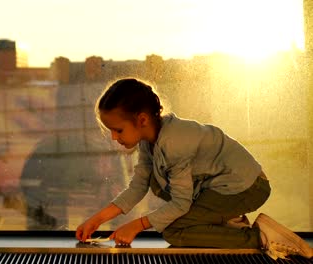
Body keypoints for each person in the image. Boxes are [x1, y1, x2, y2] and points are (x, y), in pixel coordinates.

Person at [75, 78, 312, 260]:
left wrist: (137, 225)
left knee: (174, 231)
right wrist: (97, 220)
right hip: (221, 187)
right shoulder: (150, 142)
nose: (114, 138)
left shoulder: (175, 142)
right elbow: (137, 187)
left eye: (118, 130)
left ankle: (261, 237)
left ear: (142, 119)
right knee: (157, 184)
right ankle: (227, 222)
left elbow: (180, 204)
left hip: (246, 187)